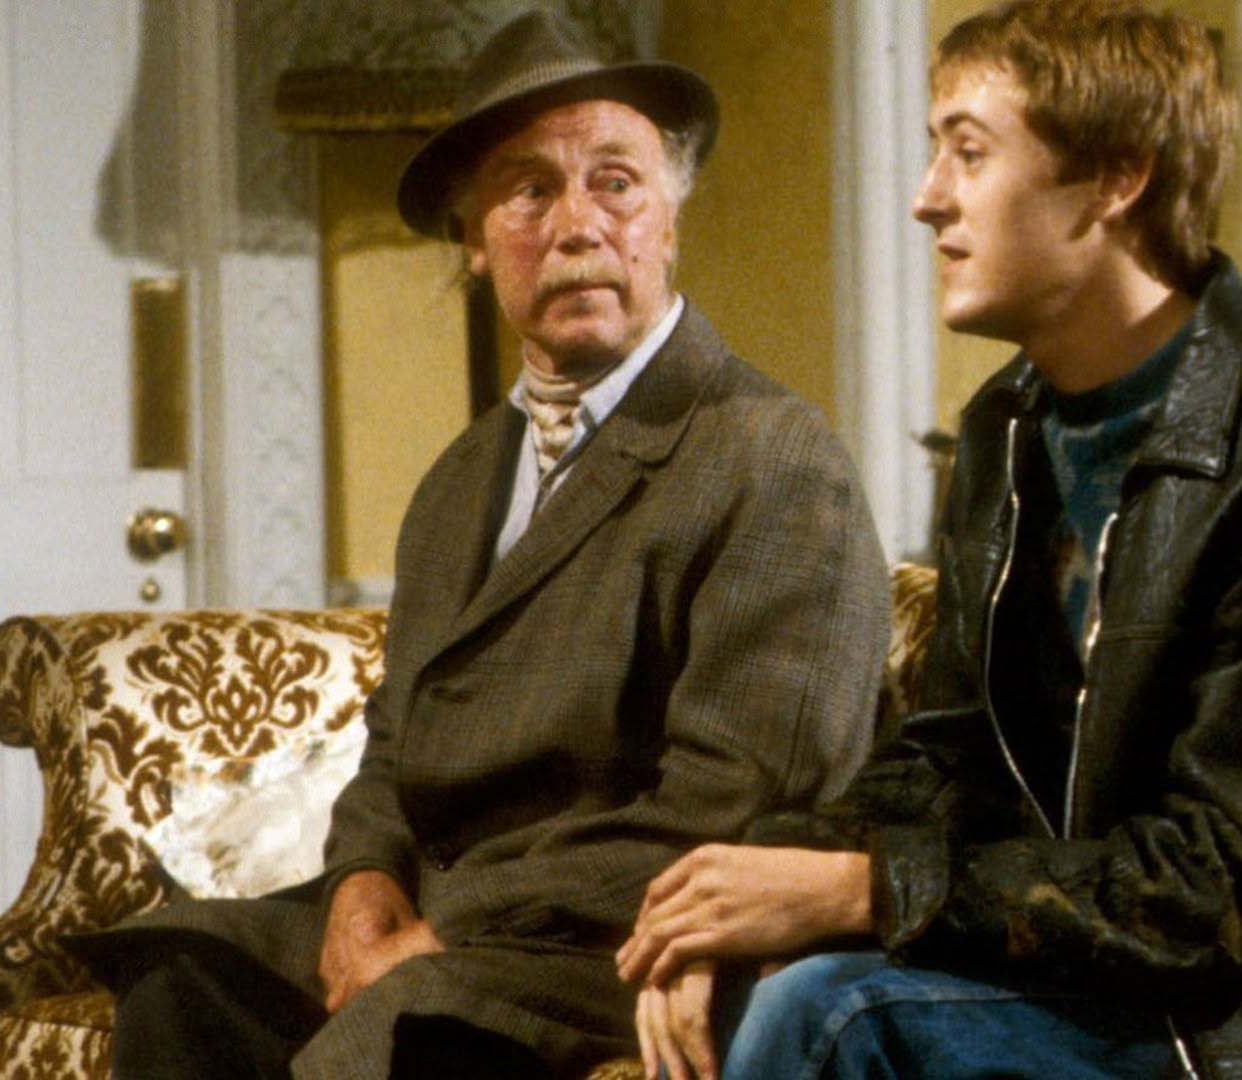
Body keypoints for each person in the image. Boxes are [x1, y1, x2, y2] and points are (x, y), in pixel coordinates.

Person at [68, 10, 891, 1078]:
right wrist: (363, 881)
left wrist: (445, 932)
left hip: (614, 938)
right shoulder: (459, 483)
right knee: (183, 973)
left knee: (397, 1028)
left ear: (670, 219)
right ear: (474, 238)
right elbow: (396, 742)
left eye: (616, 183)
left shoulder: (773, 456)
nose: (578, 226)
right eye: (529, 191)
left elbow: (737, 807)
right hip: (458, 927)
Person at [615, 2, 1242, 1077]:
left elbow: (1220, 889)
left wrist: (868, 890)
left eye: (970, 151)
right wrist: (729, 898)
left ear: (1117, 177)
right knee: (749, 983)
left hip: (1214, 1019)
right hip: (1083, 983)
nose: (927, 198)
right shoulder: (1009, 428)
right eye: (932, 152)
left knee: (832, 1015)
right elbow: (948, 764)